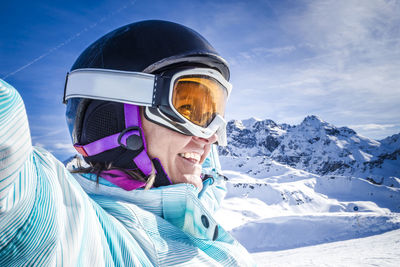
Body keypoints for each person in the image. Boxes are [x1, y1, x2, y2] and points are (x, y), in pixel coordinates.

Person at [0, 20, 255, 266]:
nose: (210, 136)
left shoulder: (193, 202)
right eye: (189, 110)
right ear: (116, 117)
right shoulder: (85, 235)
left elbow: (213, 180)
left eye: (213, 115)